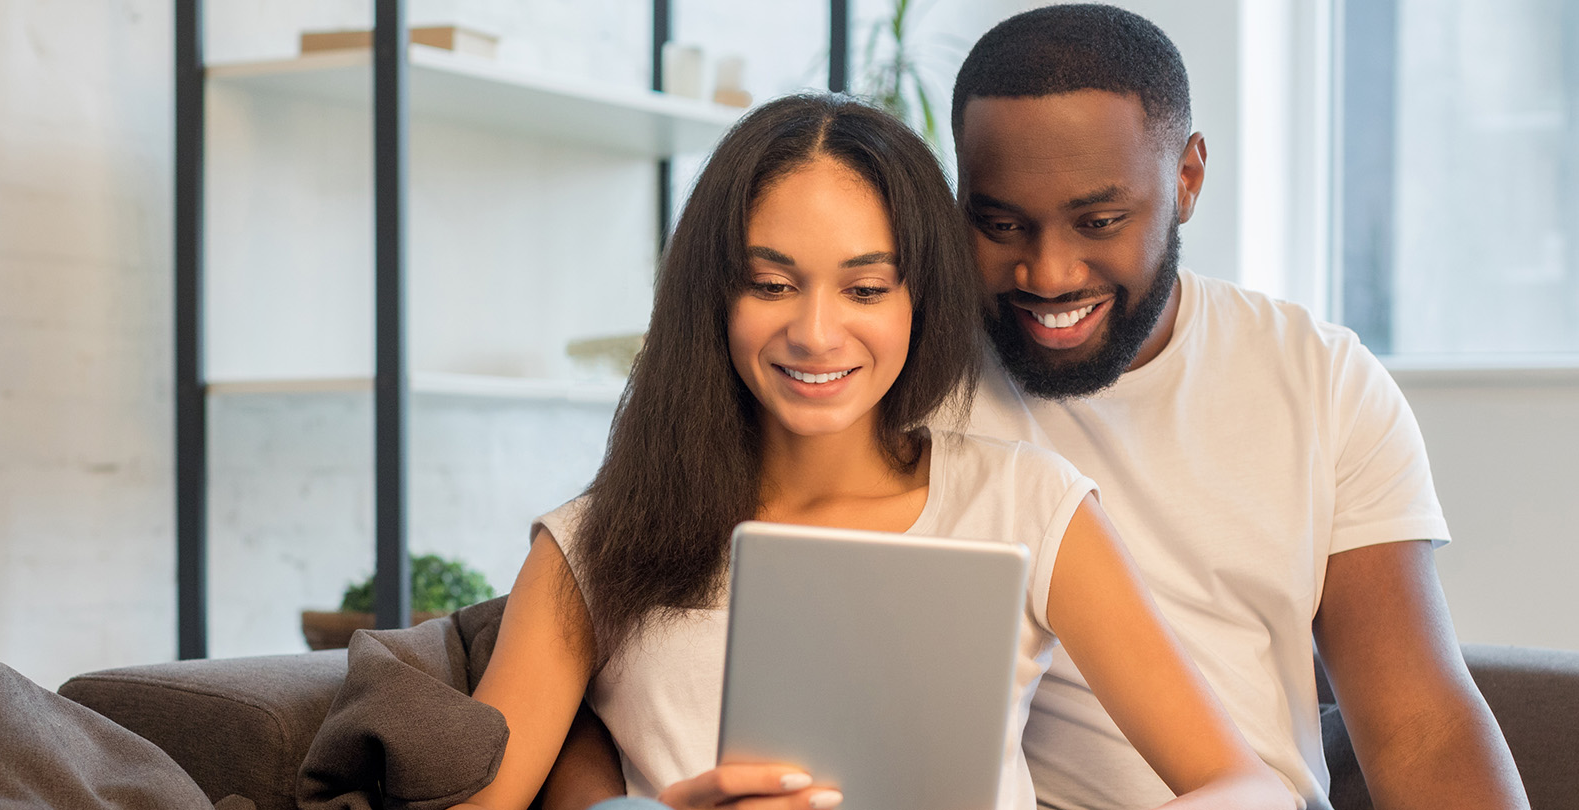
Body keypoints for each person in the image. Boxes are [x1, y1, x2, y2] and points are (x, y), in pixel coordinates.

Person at [456, 93, 1294, 810]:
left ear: (917, 301)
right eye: (772, 284)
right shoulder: (595, 545)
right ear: (714, 294)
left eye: (865, 288)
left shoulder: (1026, 503)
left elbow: (1244, 785)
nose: (816, 333)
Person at [949, 6, 1527, 810]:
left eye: (1100, 221)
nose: (1048, 273)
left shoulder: (1320, 380)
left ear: (1187, 179)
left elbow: (1419, 728)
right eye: (1003, 224)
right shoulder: (910, 384)